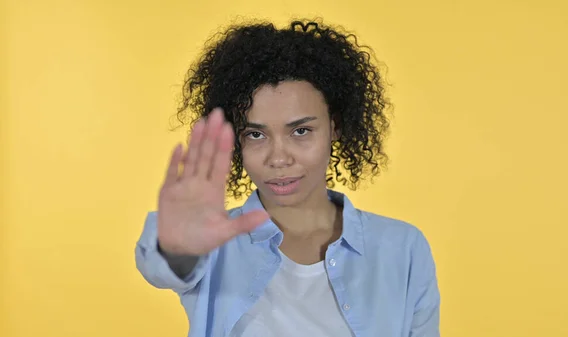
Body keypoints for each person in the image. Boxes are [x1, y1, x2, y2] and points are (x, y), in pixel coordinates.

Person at [135, 19, 440, 337]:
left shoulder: (402, 248)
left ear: (334, 127)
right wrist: (176, 249)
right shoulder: (212, 244)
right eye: (255, 134)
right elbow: (162, 269)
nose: (279, 158)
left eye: (301, 131)